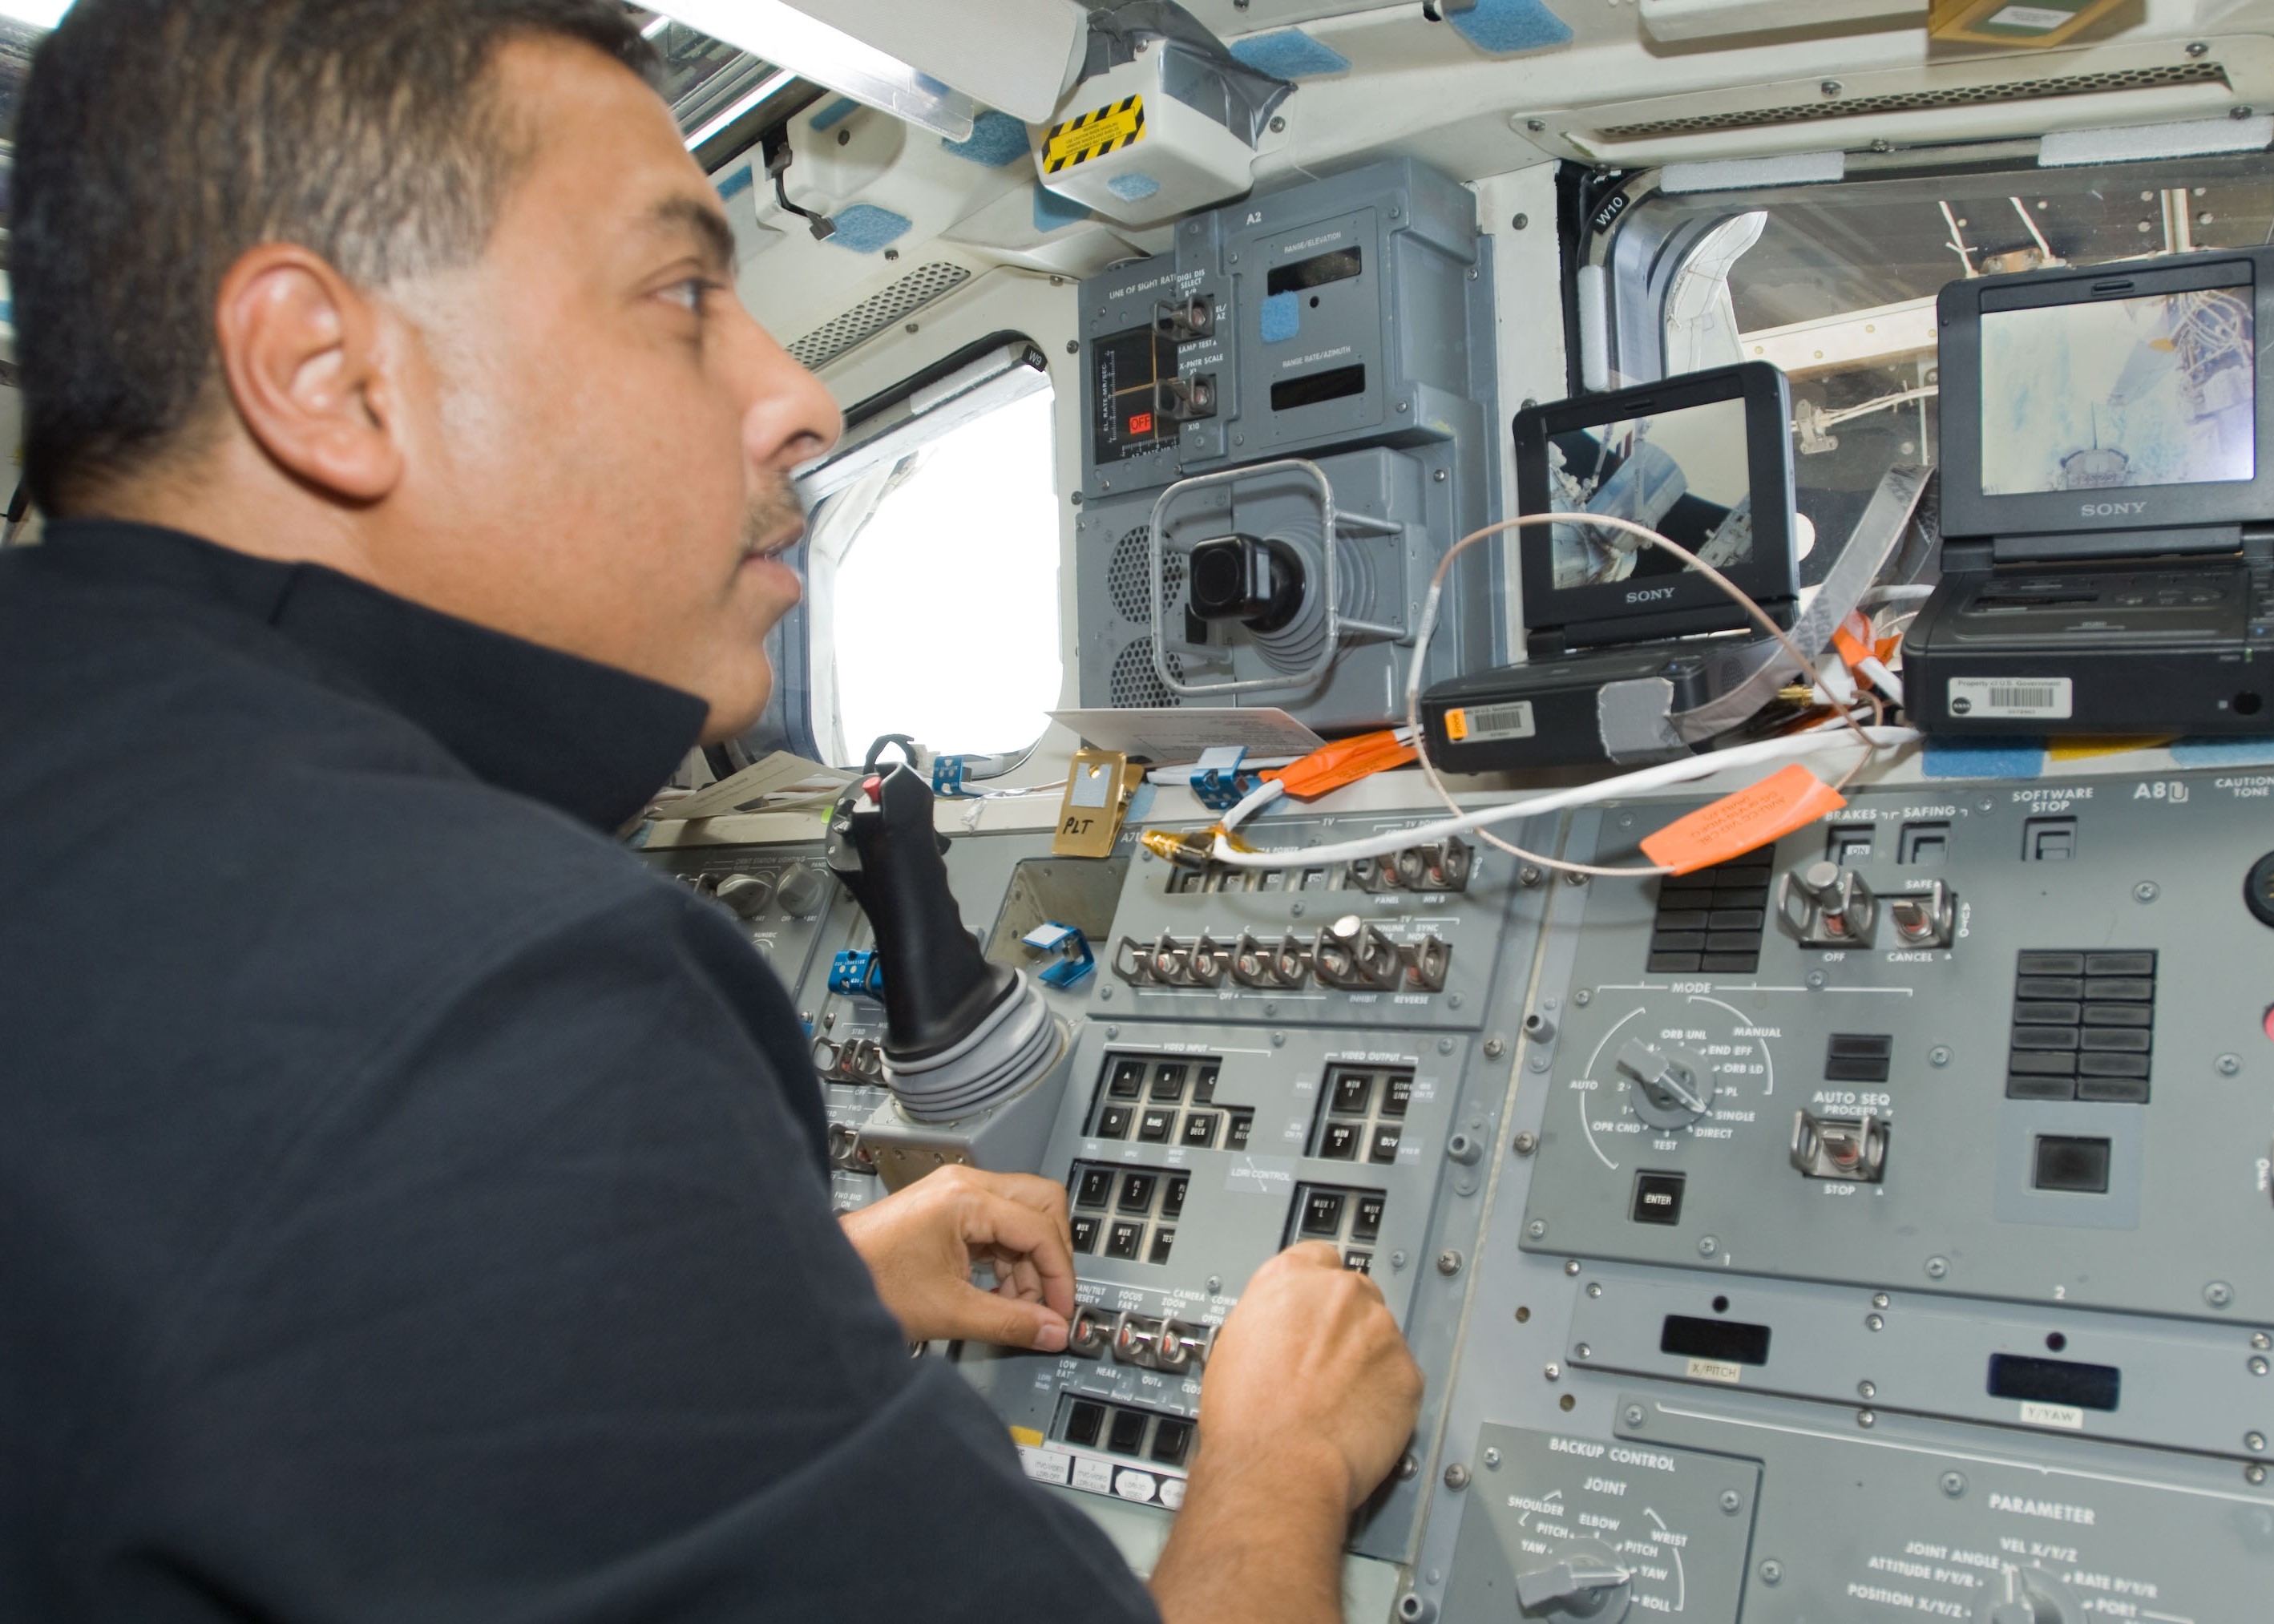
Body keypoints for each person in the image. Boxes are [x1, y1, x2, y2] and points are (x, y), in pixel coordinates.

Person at [0, 3, 1422, 1622]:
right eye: (685, 295)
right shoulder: (504, 997)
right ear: (326, 377)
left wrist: (769, 1295)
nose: (803, 403)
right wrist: (1279, 1458)